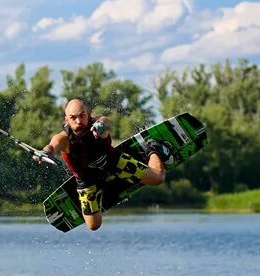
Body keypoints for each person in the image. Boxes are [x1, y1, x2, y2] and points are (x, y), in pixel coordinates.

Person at [36, 98, 170, 231]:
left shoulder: (97, 123)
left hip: (114, 162)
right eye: (73, 118)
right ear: (66, 120)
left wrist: (101, 126)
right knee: (94, 226)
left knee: (158, 178)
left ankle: (153, 148)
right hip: (87, 180)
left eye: (82, 115)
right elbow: (54, 143)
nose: (79, 121)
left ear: (88, 114)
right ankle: (101, 189)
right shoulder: (65, 138)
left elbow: (105, 121)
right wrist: (46, 151)